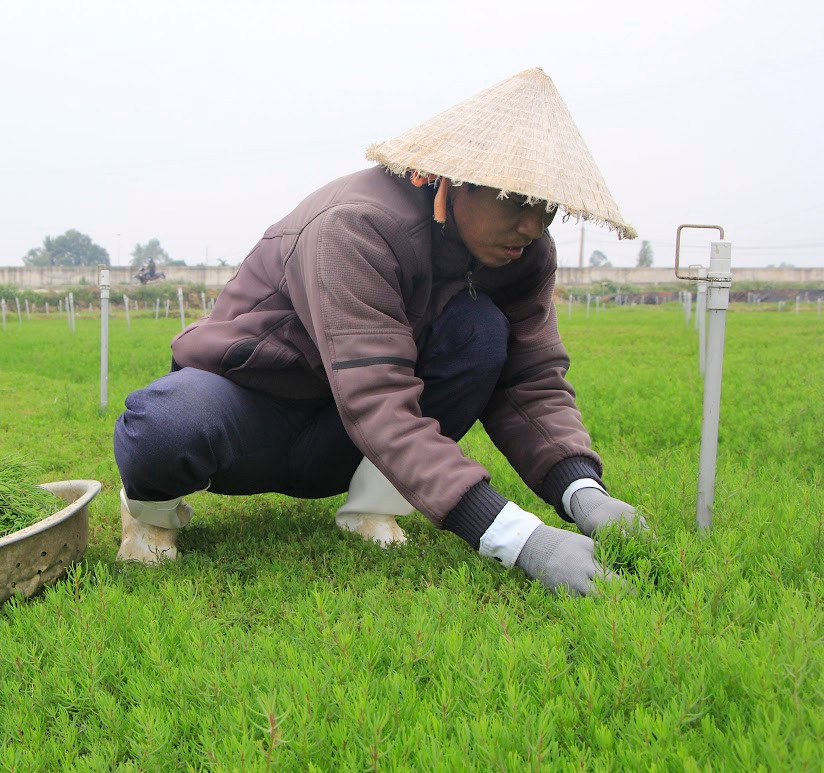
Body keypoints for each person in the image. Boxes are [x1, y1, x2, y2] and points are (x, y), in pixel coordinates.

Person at [112, 68, 646, 597]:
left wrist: (582, 492)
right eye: (515, 199)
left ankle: (373, 505)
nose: (532, 225)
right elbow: (376, 395)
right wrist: (526, 541)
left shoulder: (521, 256)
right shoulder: (357, 225)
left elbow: (530, 381)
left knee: (482, 330)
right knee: (167, 424)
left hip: (348, 440)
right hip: (254, 412)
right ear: (453, 180)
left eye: (547, 207)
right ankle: (151, 514)